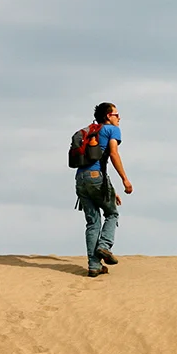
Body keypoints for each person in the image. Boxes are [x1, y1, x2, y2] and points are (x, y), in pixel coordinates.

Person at [75, 102, 132, 277]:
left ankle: (94, 266)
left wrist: (111, 190)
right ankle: (104, 246)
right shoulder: (111, 130)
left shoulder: (91, 130)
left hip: (81, 179)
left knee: (93, 223)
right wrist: (125, 180)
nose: (119, 117)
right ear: (108, 116)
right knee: (112, 213)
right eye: (116, 114)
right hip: (96, 177)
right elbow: (113, 154)